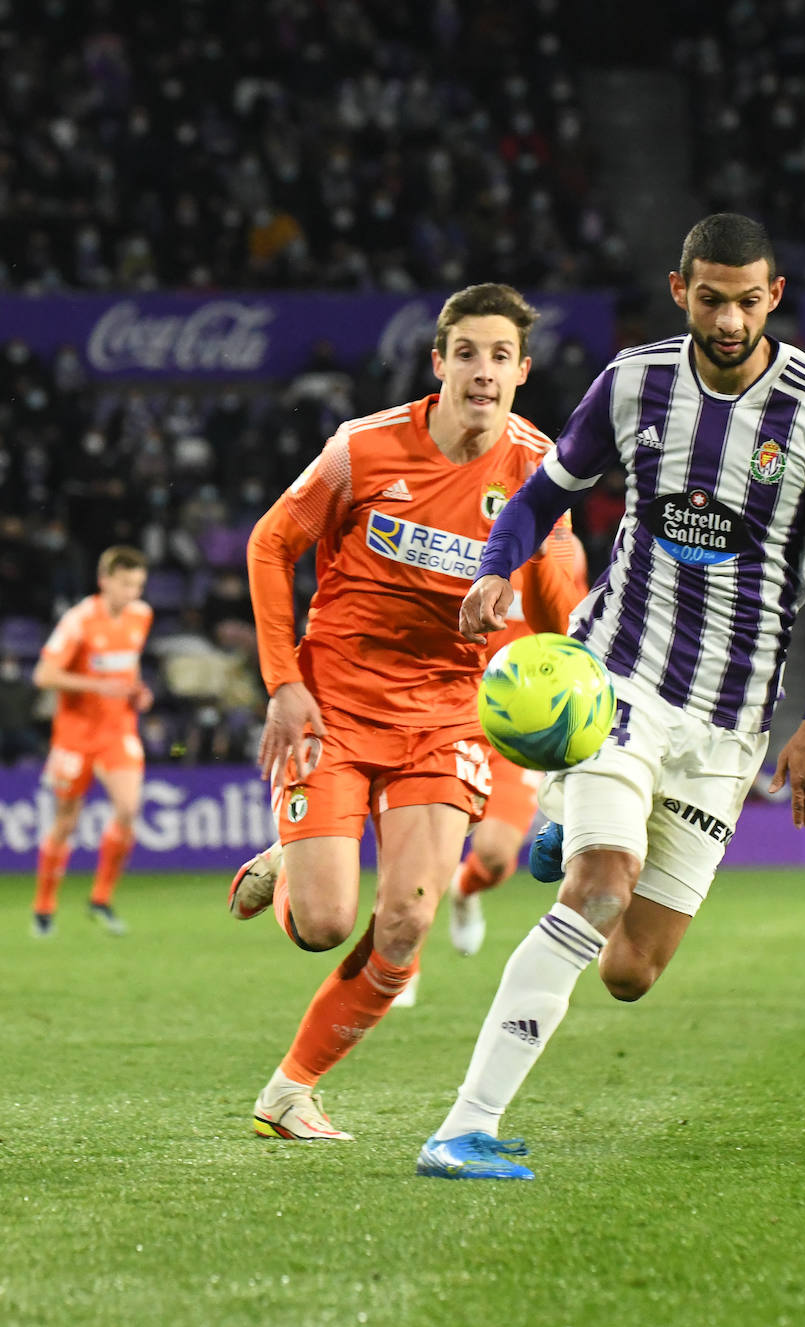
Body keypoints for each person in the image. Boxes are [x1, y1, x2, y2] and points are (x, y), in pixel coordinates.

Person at [415, 212, 805, 1180]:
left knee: (630, 972)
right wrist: (499, 569)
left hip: (728, 721)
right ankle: (462, 1126)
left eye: (746, 300)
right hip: (617, 681)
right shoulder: (633, 383)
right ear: (681, 290)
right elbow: (543, 494)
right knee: (597, 891)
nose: (727, 317)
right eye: (709, 297)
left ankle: (558, 821)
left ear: (774, 297)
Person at [226, 282, 583, 1141]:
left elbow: (562, 593)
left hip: (448, 715)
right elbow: (272, 543)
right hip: (337, 703)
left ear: (523, 371)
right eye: (468, 354)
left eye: (501, 357)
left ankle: (291, 1089)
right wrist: (283, 682)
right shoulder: (363, 449)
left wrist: (577, 681)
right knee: (322, 924)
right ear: (439, 362)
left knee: (411, 916)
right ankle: (298, 851)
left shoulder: (541, 470)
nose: (484, 373)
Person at [392, 527, 589, 1008]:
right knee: (424, 852)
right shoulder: (447, 531)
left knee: (498, 856)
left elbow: (569, 630)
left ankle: (465, 888)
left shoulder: (562, 547)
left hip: (515, 726)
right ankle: (401, 965)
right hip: (447, 711)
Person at [31, 546, 153, 937]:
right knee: (66, 820)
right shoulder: (78, 621)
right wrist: (97, 685)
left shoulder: (142, 615)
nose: (133, 593)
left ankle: (100, 899)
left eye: (138, 585)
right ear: (105, 582)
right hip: (76, 734)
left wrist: (136, 692)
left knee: (129, 809)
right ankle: (45, 907)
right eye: (126, 584)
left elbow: (126, 666)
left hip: (118, 730)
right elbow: (44, 675)